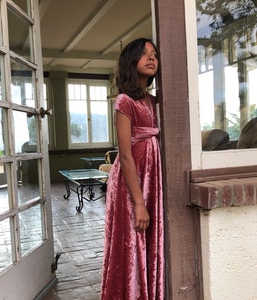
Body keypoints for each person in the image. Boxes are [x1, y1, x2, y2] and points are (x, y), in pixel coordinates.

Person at [101, 38, 164, 300]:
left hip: (152, 177)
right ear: (131, 61)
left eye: (154, 54)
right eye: (144, 54)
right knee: (132, 240)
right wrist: (139, 202)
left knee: (149, 238)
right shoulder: (125, 101)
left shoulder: (153, 101)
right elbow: (125, 155)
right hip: (131, 183)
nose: (151, 58)